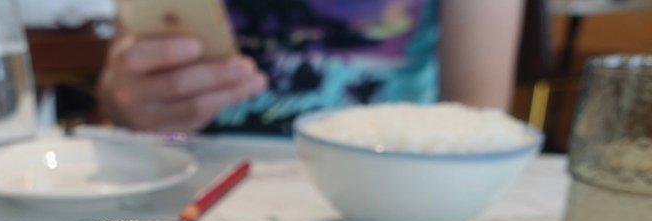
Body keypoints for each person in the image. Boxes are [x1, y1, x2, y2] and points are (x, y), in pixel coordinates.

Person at [97, 0, 524, 134]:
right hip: (191, 176)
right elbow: (117, 95)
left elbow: (477, 121)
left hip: (386, 186)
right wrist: (128, 101)